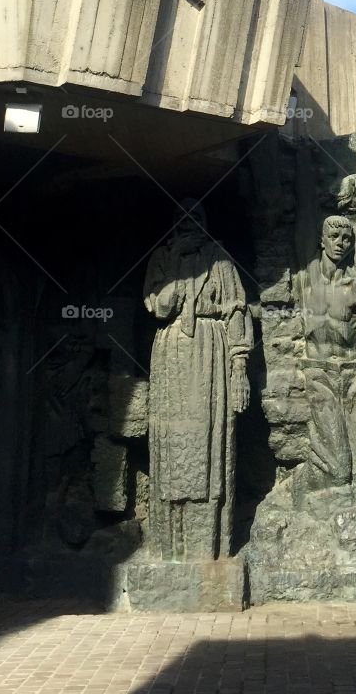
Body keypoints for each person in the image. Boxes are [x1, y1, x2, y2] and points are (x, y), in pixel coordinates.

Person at [143, 200, 252, 560]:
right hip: (172, 350)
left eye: (195, 218)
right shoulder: (162, 257)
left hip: (210, 347)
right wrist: (177, 267)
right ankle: (170, 547)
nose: (187, 224)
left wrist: (239, 369)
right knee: (173, 445)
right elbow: (158, 306)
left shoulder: (219, 258)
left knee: (209, 441)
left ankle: (209, 547)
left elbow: (236, 309)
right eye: (180, 218)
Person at [295, 215, 356, 502]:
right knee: (339, 470)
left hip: (353, 378)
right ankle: (301, 487)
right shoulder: (306, 277)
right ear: (321, 240)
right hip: (319, 377)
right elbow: (304, 209)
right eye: (333, 237)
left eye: (346, 238)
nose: (340, 243)